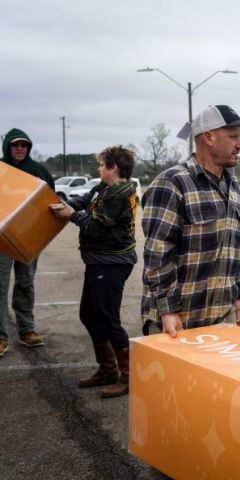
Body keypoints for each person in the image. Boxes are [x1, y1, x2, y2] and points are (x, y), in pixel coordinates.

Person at [141, 105, 240, 338]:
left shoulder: (231, 185)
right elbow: (158, 254)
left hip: (220, 317)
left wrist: (238, 294)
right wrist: (167, 310)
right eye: (233, 137)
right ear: (209, 137)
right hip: (178, 321)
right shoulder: (172, 183)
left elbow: (232, 251)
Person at [50, 146, 138, 398]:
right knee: (89, 314)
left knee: (107, 318)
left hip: (111, 262)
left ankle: (129, 376)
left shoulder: (119, 193)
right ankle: (108, 369)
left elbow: (95, 225)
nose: (98, 169)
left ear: (114, 168)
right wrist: (60, 203)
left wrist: (72, 215)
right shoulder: (105, 188)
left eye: (101, 165)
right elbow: (83, 201)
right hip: (99, 260)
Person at [0, 128, 55, 358]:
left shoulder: (39, 170)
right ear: (8, 147)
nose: (20, 149)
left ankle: (26, 329)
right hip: (2, 238)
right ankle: (1, 336)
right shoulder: (1, 169)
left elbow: (51, 202)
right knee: (0, 285)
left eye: (24, 145)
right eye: (15, 145)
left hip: (28, 237)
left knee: (25, 282)